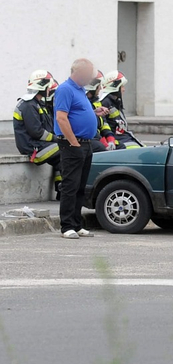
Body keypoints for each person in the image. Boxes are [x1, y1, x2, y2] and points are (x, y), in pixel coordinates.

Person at [54, 59, 109, 239]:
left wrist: (93, 113)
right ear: (78, 72)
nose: (90, 78)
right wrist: (74, 143)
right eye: (88, 74)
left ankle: (77, 224)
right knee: (70, 185)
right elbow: (62, 118)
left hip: (85, 143)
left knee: (80, 186)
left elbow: (77, 114)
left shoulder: (80, 90)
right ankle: (67, 226)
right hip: (73, 144)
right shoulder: (65, 89)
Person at [13, 70, 62, 197]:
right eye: (48, 87)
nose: (49, 90)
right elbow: (37, 132)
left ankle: (61, 190)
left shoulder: (37, 104)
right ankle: (65, 190)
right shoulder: (29, 105)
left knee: (64, 156)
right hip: (32, 148)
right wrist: (57, 139)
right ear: (42, 86)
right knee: (65, 150)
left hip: (38, 145)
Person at [100, 70, 142, 149]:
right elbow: (103, 127)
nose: (124, 89)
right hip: (118, 141)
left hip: (124, 138)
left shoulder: (115, 102)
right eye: (122, 86)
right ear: (115, 86)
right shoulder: (105, 103)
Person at [85, 70, 115, 152]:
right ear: (93, 86)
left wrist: (110, 138)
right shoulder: (83, 103)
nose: (101, 88)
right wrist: (103, 142)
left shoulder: (96, 102)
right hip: (89, 139)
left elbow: (103, 123)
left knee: (120, 147)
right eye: (99, 85)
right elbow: (88, 126)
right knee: (101, 148)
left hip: (98, 138)